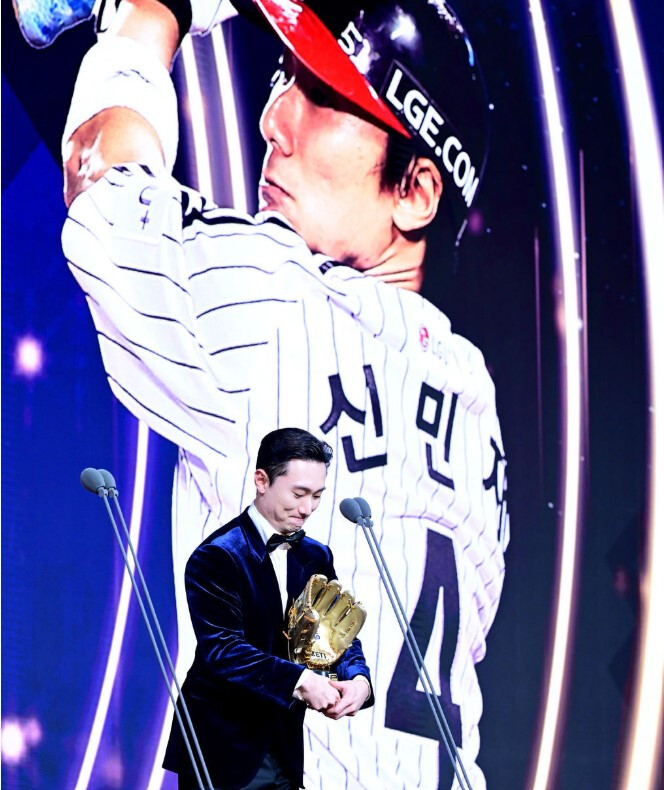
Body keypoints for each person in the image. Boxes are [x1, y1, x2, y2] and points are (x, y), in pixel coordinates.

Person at [59, 0, 510, 786]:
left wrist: (148, 16)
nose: (274, 120)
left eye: (325, 98)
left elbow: (102, 174)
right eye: (283, 77)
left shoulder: (274, 299)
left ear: (415, 193)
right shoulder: (476, 402)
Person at [165, 427, 373, 789]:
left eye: (317, 496)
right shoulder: (218, 555)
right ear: (262, 480)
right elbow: (223, 650)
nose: (307, 508)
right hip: (221, 745)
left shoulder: (315, 556)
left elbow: (336, 629)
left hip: (284, 744)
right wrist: (301, 681)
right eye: (299, 494)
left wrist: (359, 680)